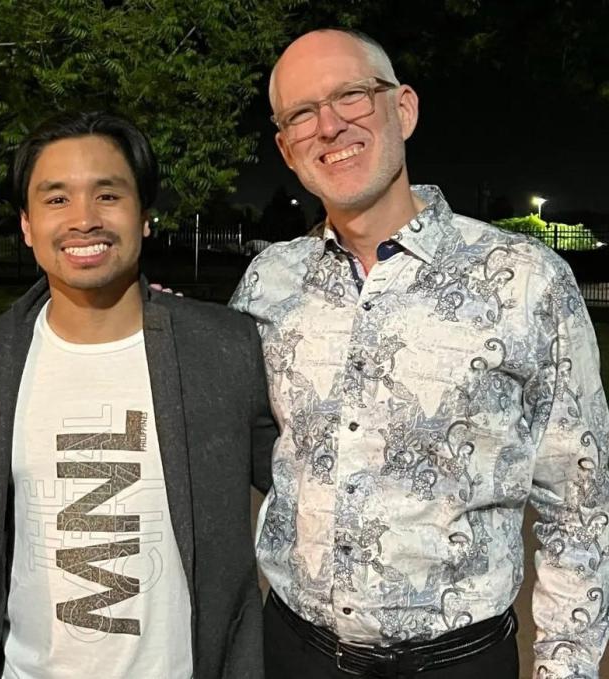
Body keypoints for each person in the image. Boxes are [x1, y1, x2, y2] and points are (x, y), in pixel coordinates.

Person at [230, 28, 609, 678]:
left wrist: (565, 668)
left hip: (456, 661)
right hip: (293, 652)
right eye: (301, 113)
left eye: (350, 95)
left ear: (402, 108)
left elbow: (580, 502)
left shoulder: (526, 280)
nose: (328, 125)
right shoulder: (268, 283)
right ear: (286, 148)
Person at [0, 111, 277, 679]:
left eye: (108, 195)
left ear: (145, 216)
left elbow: (310, 490)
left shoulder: (226, 350)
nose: (84, 220)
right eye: (56, 200)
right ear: (26, 225)